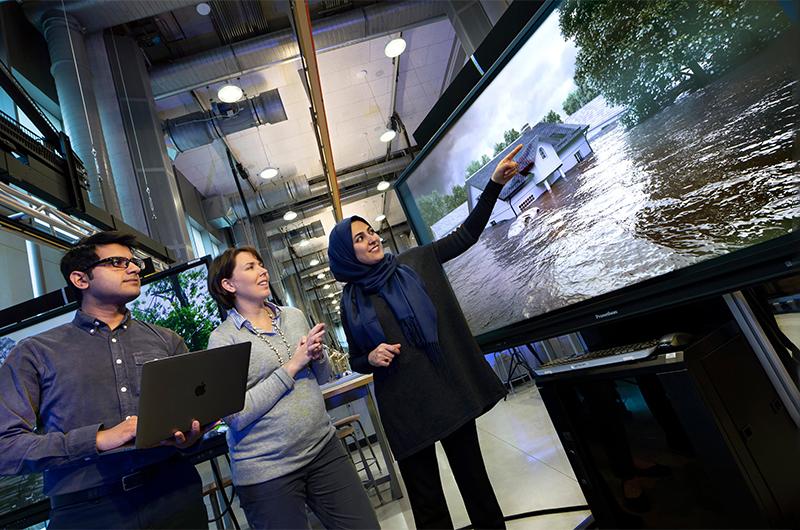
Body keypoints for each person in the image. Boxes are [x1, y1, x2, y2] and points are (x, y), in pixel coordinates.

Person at [327, 144, 526, 529]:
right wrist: (368, 359)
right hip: (404, 406)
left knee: (476, 487)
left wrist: (494, 185)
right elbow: (354, 357)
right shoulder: (349, 303)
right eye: (359, 238)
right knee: (428, 503)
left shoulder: (414, 262)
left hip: (447, 390)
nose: (371, 238)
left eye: (371, 231)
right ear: (344, 255)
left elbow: (466, 235)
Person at [0, 231, 209, 529]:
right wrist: (96, 440)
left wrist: (193, 435)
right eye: (118, 263)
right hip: (88, 512)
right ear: (80, 279)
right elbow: (5, 446)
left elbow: (196, 409)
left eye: (134, 262)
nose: (135, 268)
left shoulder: (166, 340)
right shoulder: (34, 353)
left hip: (175, 492)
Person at [207, 246, 380, 530]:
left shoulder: (293, 316)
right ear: (228, 284)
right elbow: (234, 415)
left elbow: (322, 377)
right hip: (267, 471)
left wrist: (316, 354)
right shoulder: (222, 340)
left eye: (261, 264)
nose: (263, 270)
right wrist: (293, 366)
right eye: (250, 267)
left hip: (323, 447)